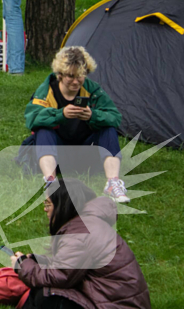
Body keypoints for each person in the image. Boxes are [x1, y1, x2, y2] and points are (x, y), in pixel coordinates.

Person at [12, 178, 151, 308]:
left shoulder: (79, 234)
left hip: (114, 304)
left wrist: (23, 266)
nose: (45, 209)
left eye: (48, 204)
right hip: (112, 300)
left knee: (47, 297)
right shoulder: (86, 223)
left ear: (63, 205)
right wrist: (38, 260)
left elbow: (61, 276)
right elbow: (69, 267)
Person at [25, 46, 129, 203]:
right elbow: (32, 119)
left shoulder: (92, 90)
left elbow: (115, 117)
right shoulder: (47, 90)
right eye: (70, 76)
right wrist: (61, 115)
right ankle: (50, 182)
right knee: (43, 130)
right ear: (59, 75)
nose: (76, 81)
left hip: (87, 152)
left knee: (108, 128)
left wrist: (93, 116)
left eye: (80, 76)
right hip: (58, 153)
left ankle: (113, 182)